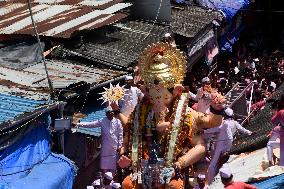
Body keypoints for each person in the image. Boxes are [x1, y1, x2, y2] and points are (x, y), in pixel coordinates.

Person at [110, 42, 226, 189]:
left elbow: (209, 129)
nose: (158, 100)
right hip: (144, 166)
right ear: (146, 91)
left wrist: (216, 109)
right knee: (127, 184)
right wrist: (125, 153)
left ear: (176, 91)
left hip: (172, 168)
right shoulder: (141, 112)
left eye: (163, 96)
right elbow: (130, 127)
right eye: (153, 95)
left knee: (173, 187)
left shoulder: (187, 115)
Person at [206, 108, 253, 184]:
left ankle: (211, 182)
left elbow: (229, 137)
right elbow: (242, 129)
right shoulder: (234, 122)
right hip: (228, 146)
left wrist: (227, 150)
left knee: (212, 165)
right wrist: (250, 132)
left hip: (222, 147)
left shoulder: (226, 123)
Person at [75, 107, 123, 174]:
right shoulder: (102, 121)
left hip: (114, 147)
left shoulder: (118, 122)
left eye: (111, 112)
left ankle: (112, 179)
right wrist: (78, 124)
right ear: (106, 114)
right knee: (104, 165)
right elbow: (91, 124)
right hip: (105, 146)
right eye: (108, 112)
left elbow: (120, 134)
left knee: (113, 165)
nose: (110, 114)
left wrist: (120, 145)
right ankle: (104, 178)